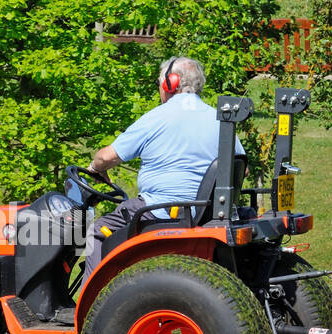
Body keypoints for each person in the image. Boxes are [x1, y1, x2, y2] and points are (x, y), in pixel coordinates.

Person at [79, 56, 243, 283]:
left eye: (160, 83)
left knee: (96, 232)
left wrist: (95, 168)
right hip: (206, 214)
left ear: (170, 83)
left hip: (160, 210)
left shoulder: (155, 118)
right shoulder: (219, 121)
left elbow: (106, 156)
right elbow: (241, 169)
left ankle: (93, 308)